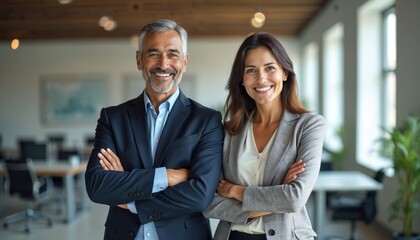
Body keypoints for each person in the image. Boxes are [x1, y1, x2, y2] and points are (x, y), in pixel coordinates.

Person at [84, 19, 224, 240]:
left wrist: (131, 199)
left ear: (185, 62)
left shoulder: (207, 120)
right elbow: (97, 185)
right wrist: (165, 177)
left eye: (173, 54)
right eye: (153, 54)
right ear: (139, 60)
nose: (163, 64)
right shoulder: (113, 118)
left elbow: (200, 194)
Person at [202, 32, 325, 240]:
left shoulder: (309, 126)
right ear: (242, 79)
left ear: (285, 73)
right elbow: (210, 203)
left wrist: (236, 191)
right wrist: (278, 194)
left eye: (270, 68)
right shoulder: (228, 131)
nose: (261, 79)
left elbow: (294, 199)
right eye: (251, 70)